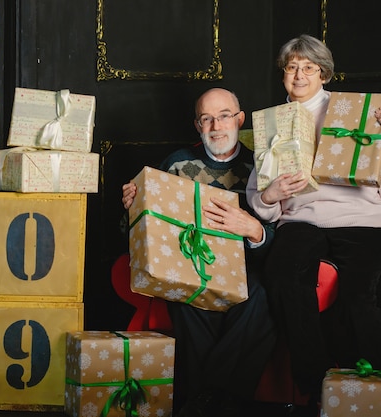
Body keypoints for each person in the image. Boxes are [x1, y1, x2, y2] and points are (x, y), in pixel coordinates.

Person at [246, 34, 381, 416]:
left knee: (358, 296)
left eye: (309, 67)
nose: (300, 74)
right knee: (284, 275)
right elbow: (261, 199)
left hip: (363, 219)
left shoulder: (355, 111)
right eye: (292, 67)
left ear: (324, 74)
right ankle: (318, 383)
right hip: (302, 219)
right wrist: (271, 195)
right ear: (283, 74)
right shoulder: (272, 122)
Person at [121, 88, 277, 416]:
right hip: (189, 266)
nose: (216, 125)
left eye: (223, 116)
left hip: (249, 270)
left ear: (239, 119)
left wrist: (253, 228)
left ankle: (204, 401)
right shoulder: (176, 164)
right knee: (186, 296)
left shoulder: (262, 166)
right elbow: (140, 233)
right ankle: (225, 404)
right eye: (206, 118)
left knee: (261, 295)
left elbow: (284, 240)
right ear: (197, 125)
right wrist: (133, 207)